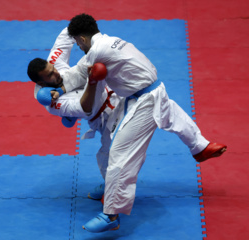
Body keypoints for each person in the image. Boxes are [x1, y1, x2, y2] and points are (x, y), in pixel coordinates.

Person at [66, 13, 227, 233]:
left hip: (143, 100)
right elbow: (80, 71)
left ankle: (111, 214)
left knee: (120, 153)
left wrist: (59, 91)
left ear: (81, 39)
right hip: (141, 93)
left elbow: (79, 76)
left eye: (76, 42)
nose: (78, 46)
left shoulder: (96, 52)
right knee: (112, 141)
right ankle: (199, 146)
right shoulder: (111, 40)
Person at [27, 27, 135, 196]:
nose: (55, 71)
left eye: (53, 68)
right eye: (50, 74)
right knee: (107, 156)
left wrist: (81, 26)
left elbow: (65, 35)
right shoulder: (53, 105)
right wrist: (92, 80)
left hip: (116, 95)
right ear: (42, 82)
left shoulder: (53, 64)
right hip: (103, 119)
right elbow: (85, 108)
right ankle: (112, 191)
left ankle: (113, 194)